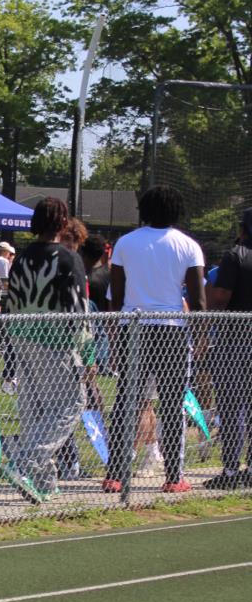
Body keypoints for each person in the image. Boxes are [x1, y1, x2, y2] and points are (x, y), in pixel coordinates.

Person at [104, 185, 205, 494]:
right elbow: (198, 300)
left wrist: (117, 332)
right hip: (171, 328)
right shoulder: (188, 245)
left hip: (133, 327)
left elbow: (116, 295)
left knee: (127, 400)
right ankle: (174, 477)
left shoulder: (125, 242)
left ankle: (115, 474)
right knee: (172, 403)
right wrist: (200, 335)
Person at [5, 197, 88, 500]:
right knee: (71, 405)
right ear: (63, 223)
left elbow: (11, 300)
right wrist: (87, 350)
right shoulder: (67, 258)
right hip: (56, 341)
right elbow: (78, 308)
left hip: (20, 337)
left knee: (37, 411)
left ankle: (44, 482)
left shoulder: (21, 257)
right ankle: (25, 462)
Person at [206, 208, 252, 488]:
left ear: (243, 228)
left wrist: (207, 311)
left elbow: (222, 296)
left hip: (235, 339)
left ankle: (232, 472)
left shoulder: (235, 255)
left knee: (232, 405)